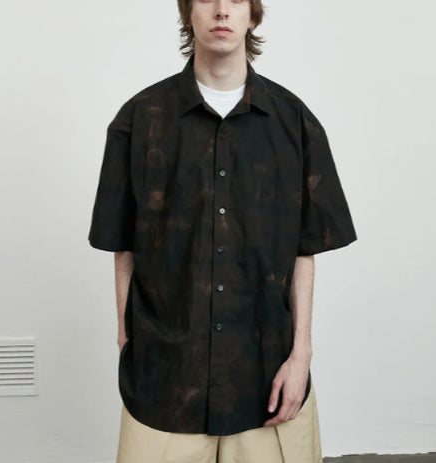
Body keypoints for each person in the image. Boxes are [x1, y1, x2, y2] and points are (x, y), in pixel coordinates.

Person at [88, 1, 357, 462]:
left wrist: (301, 356)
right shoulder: (140, 119)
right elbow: (123, 245)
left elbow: (303, 250)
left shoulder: (294, 121)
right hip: (166, 379)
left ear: (252, 15)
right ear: (187, 13)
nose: (220, 11)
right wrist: (126, 338)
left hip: (266, 375)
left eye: (235, 1)